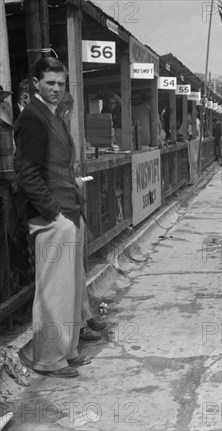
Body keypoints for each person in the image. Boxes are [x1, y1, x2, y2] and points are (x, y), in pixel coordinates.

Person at [14, 57, 90, 378]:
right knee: (53, 293)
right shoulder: (32, 117)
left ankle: (67, 350)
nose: (56, 89)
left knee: (69, 290)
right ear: (36, 84)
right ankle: (47, 359)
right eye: (50, 83)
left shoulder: (53, 115)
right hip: (51, 217)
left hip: (68, 212)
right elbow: (27, 175)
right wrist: (55, 214)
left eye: (61, 83)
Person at [56, 92, 106, 342]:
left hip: (72, 207)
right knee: (70, 273)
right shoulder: (51, 135)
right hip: (61, 211)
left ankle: (85, 317)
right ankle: (79, 326)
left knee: (78, 269)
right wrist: (72, 182)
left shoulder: (58, 134)